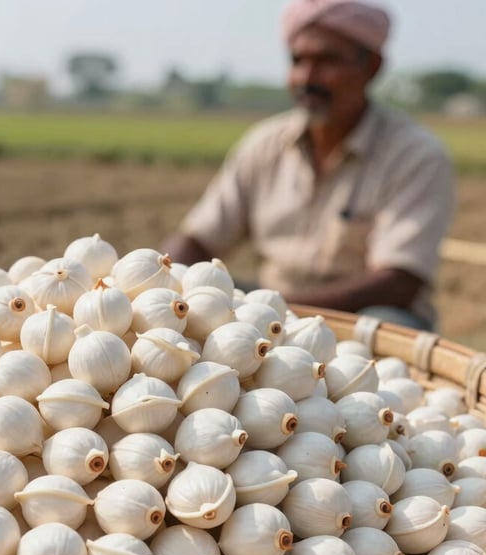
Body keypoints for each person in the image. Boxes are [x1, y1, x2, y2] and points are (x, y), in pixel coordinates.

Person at [162, 0, 454, 331]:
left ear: (371, 67)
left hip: (356, 318)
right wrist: (162, 277)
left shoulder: (414, 155)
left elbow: (398, 282)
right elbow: (197, 239)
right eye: (298, 60)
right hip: (274, 310)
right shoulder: (265, 144)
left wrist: (278, 311)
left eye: (327, 60)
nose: (307, 77)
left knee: (386, 321)